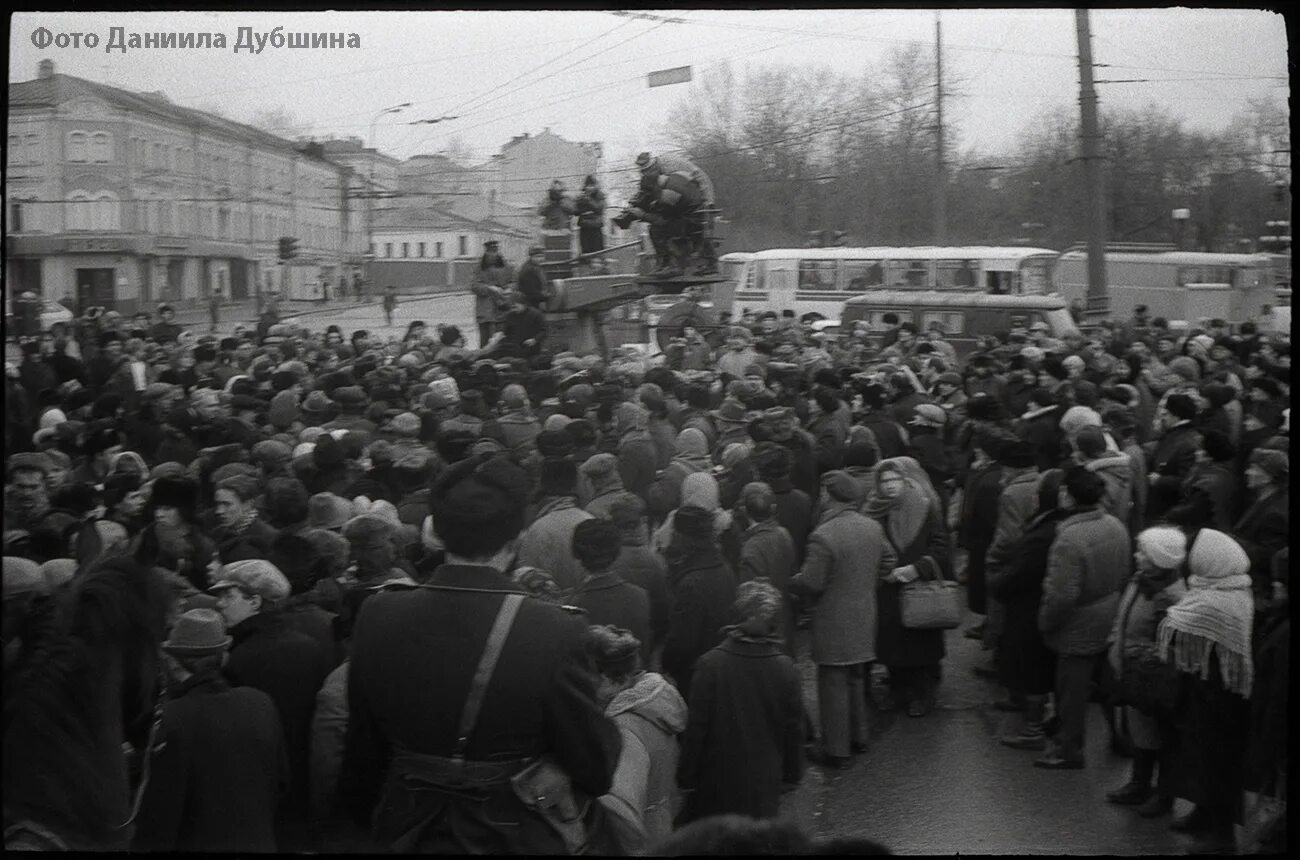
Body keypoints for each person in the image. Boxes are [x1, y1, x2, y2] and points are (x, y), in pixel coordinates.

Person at [340, 454, 621, 853]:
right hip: (508, 834)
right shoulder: (555, 629)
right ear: (515, 541)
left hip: (405, 826)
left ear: (437, 532)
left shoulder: (378, 613)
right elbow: (595, 769)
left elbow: (362, 754)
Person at [132, 609, 290, 852]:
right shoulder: (261, 702)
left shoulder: (174, 718)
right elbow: (281, 782)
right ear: (222, 656)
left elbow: (159, 814)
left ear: (173, 663)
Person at [790, 471, 896, 767]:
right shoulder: (872, 527)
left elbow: (812, 582)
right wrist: (867, 584)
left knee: (832, 681)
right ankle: (859, 737)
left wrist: (793, 581)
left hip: (832, 619)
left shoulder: (823, 535)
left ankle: (836, 748)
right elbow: (889, 561)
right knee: (855, 676)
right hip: (864, 612)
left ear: (829, 495)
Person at [1158, 529, 1255, 855]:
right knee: (1202, 758)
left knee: (1217, 762)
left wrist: (1170, 604)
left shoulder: (1217, 601)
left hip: (1219, 695)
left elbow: (1176, 623)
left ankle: (1222, 835)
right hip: (1210, 689)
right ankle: (1204, 814)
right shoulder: (1231, 588)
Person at [677, 580, 802, 824]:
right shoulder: (786, 669)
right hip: (764, 787)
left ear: (736, 616)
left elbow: (696, 730)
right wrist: (791, 775)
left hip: (715, 785)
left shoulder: (710, 665)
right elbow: (793, 729)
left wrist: (686, 778)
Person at [1035, 465, 1130, 770]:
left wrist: (1046, 622)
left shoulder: (1069, 539)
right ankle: (1121, 736)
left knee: (1071, 691)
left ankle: (1069, 749)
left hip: (1078, 622)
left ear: (1068, 496)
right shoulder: (1116, 525)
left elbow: (1062, 594)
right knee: (1108, 683)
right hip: (1109, 610)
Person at [1104, 526, 1188, 816]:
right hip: (1132, 672)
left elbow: (1171, 644)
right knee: (1140, 730)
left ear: (1160, 559)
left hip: (1152, 677)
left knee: (1162, 736)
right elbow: (1124, 616)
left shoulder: (1170, 597)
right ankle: (1139, 783)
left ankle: (1163, 794)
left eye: (1143, 552)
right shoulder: (1141, 581)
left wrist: (1141, 656)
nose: (1137, 556)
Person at [588, 625, 687, 854]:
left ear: (614, 680)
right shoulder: (655, 703)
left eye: (590, 679)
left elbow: (621, 815)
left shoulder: (624, 730)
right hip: (661, 828)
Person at [864, 457, 950, 717]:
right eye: (884, 481)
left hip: (918, 585)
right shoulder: (872, 509)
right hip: (887, 586)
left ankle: (923, 693)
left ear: (904, 480)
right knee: (892, 642)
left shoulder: (925, 506)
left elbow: (940, 545)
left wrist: (916, 569)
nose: (890, 486)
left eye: (894, 480)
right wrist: (883, 571)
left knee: (920, 641)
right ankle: (898, 688)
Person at [471, 240, 514, 348]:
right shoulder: (478, 268)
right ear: (486, 252)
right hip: (485, 310)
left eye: (495, 251)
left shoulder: (507, 267)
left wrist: (509, 289)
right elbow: (473, 285)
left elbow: (514, 281)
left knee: (501, 341)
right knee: (485, 343)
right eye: (490, 252)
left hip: (501, 309)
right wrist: (490, 288)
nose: (493, 255)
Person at [574, 175, 607, 271]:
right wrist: (580, 202)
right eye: (588, 185)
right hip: (584, 227)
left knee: (597, 251)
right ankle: (586, 269)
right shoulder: (581, 197)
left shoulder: (600, 196)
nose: (589, 188)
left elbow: (599, 208)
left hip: (596, 227)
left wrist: (588, 200)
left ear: (595, 186)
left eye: (591, 185)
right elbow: (576, 212)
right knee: (586, 251)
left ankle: (600, 270)